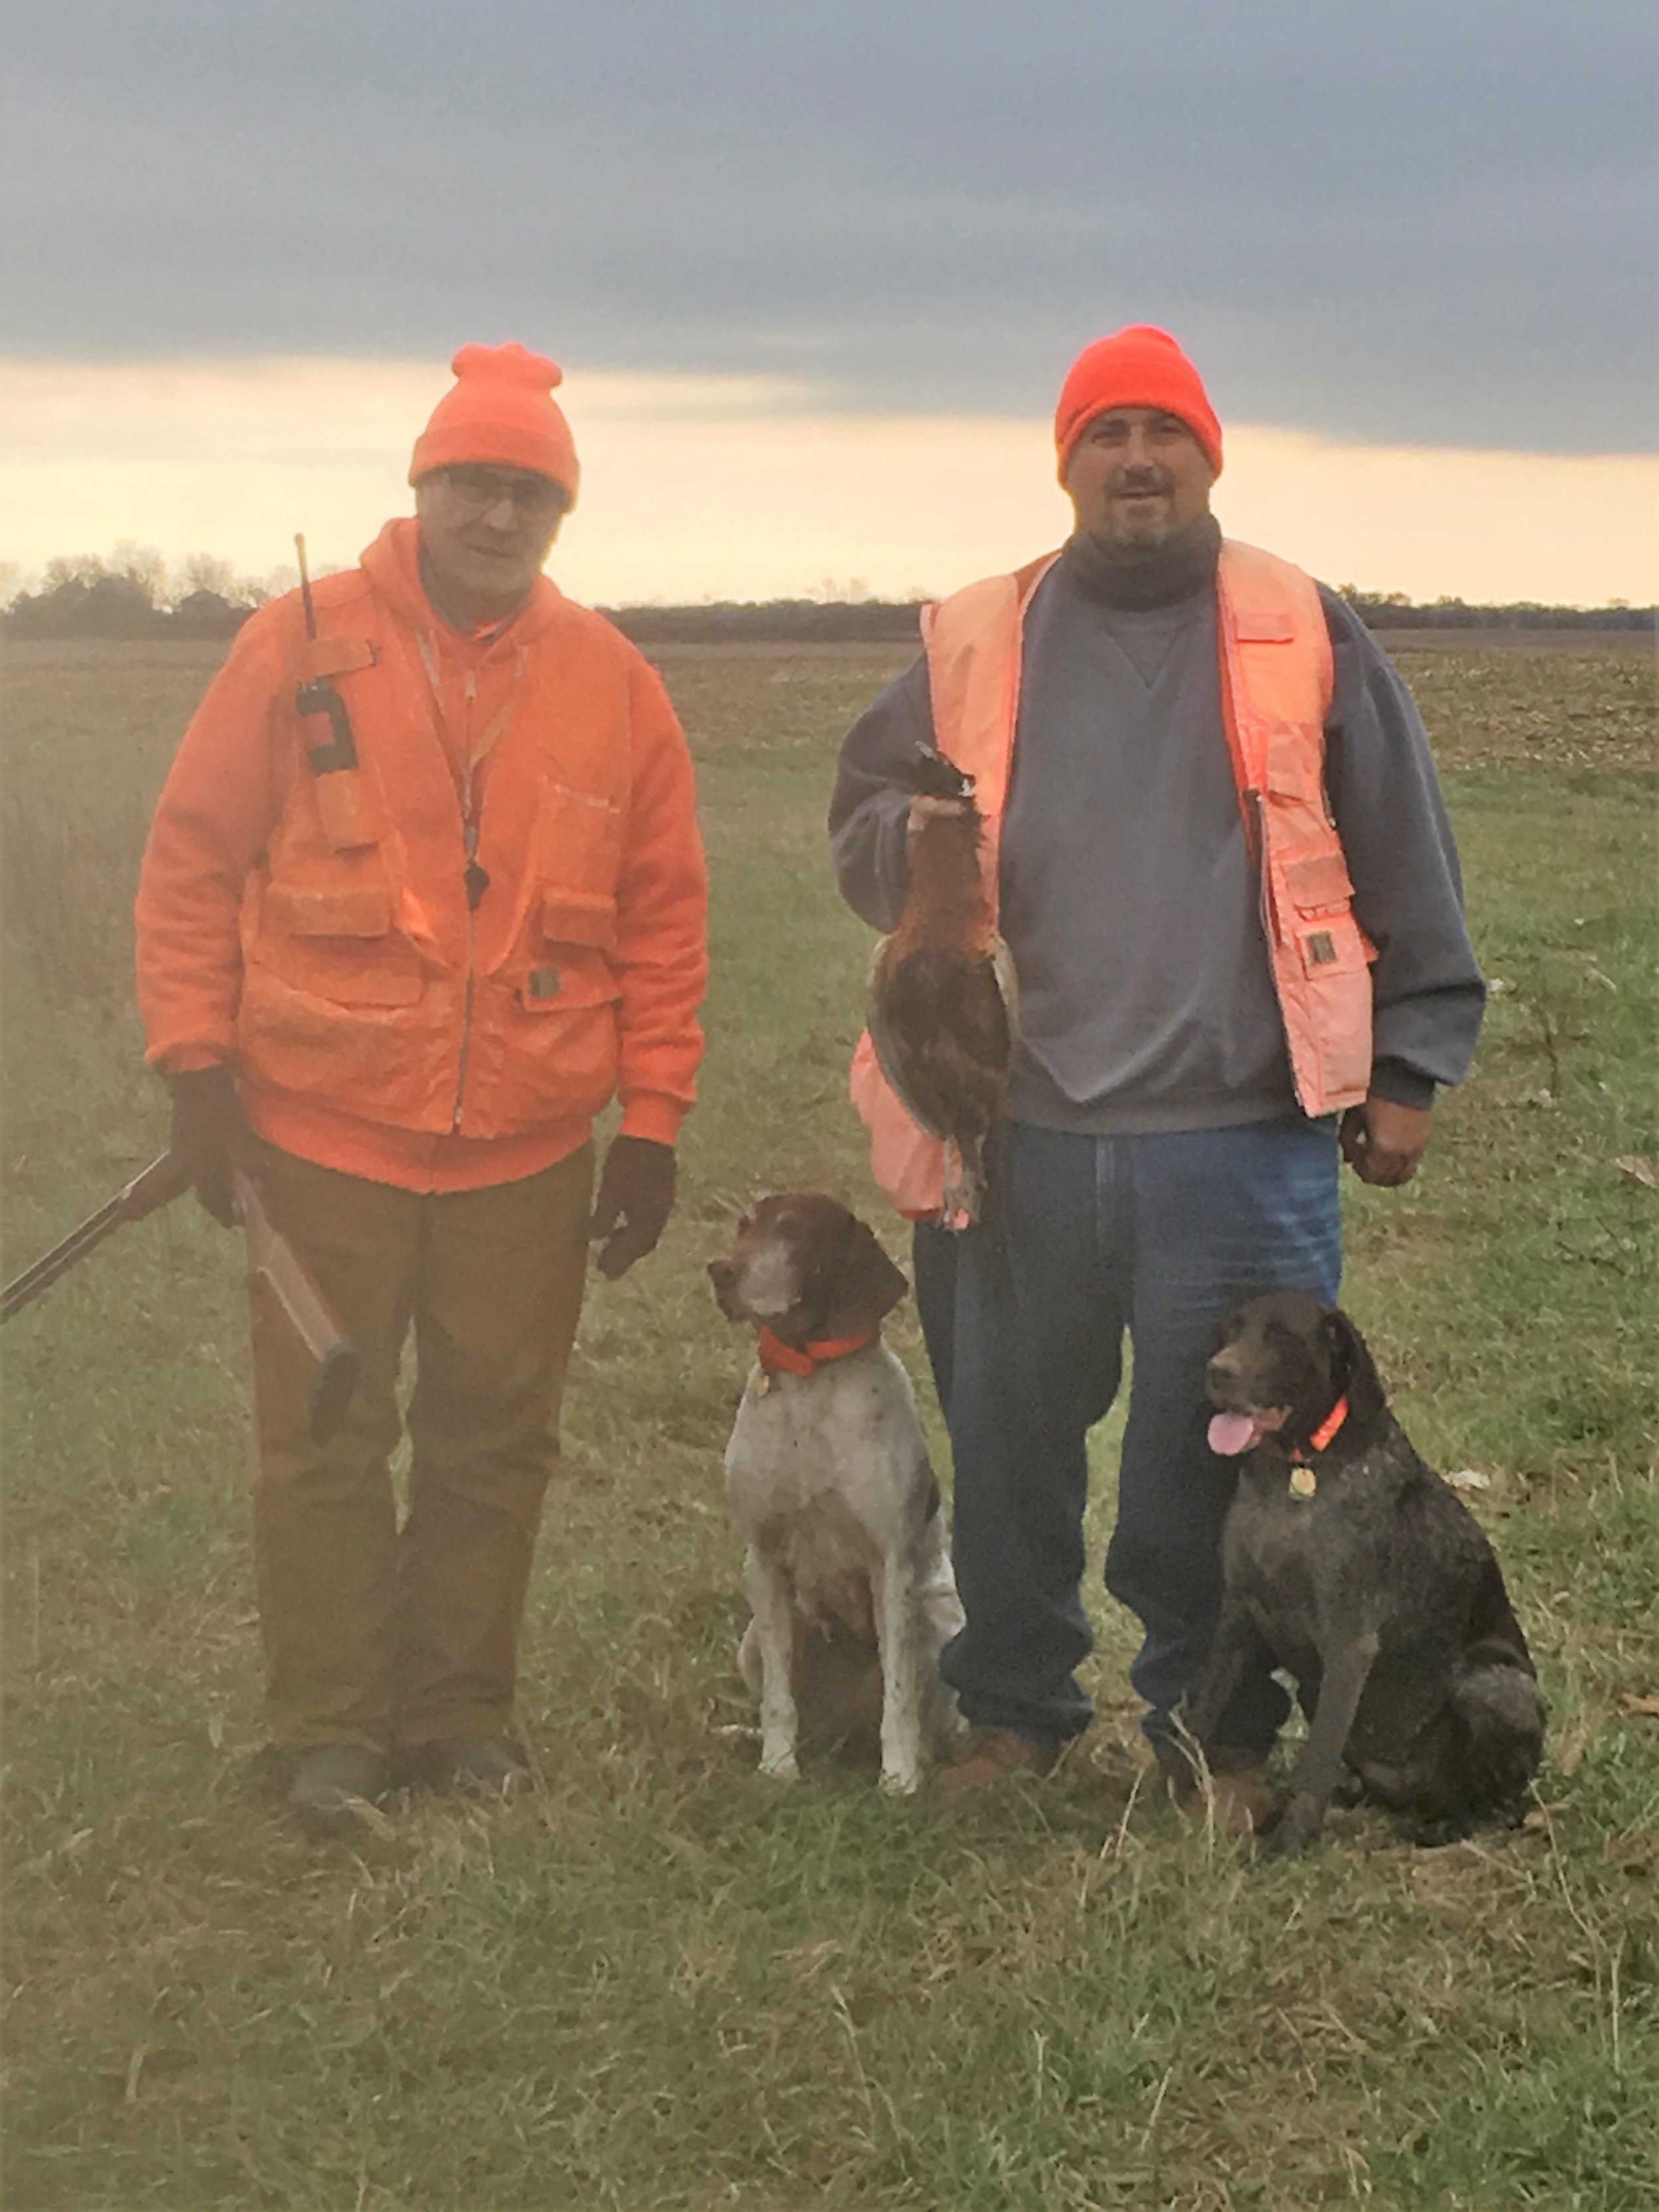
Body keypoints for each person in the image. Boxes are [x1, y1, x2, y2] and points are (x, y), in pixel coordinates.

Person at [829, 324, 1484, 1809]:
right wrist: (905, 853)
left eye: (1162, 432)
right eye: (1103, 432)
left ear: (1206, 456)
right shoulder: (974, 634)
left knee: (1231, 1458)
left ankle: (1211, 1728)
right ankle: (1009, 1708)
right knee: (1003, 1432)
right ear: (1062, 463)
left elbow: (1399, 843)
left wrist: (1411, 1059)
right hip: (1010, 1133)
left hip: (1238, 1134)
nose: (1135, 458)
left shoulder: (1298, 624)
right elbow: (860, 822)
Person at [136, 342, 708, 1836]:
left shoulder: (614, 686)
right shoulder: (296, 643)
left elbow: (663, 920)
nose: (497, 514)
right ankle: (326, 1729)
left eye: (528, 491)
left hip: (525, 1153)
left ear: (559, 512)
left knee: (493, 1436)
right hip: (317, 1137)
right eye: (472, 482)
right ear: (421, 488)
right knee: (322, 1434)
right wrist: (194, 1065)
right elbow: (194, 858)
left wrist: (648, 1122)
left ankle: (459, 1714)